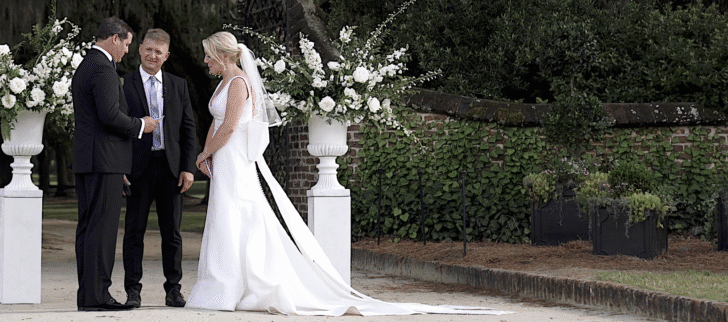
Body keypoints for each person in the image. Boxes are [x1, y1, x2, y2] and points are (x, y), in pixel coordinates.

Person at [186, 31, 511, 316]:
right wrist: (207, 152)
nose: (205, 61)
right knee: (224, 215)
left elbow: (230, 126)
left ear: (223, 56)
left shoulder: (239, 83)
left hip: (234, 158)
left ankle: (237, 285)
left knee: (236, 215)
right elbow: (217, 122)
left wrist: (205, 152)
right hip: (223, 157)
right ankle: (224, 283)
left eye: (208, 55)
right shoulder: (224, 83)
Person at [72, 17, 159, 312]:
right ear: (114, 39)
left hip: (92, 160)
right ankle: (98, 296)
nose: (127, 50)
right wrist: (141, 125)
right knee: (102, 229)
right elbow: (110, 115)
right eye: (127, 43)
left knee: (89, 228)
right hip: (103, 160)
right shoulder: (102, 67)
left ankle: (88, 295)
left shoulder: (87, 64)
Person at [121, 29, 198, 309]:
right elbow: (118, 130)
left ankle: (173, 290)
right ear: (140, 49)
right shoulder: (124, 83)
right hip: (137, 169)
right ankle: (132, 291)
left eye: (158, 52)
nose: (152, 55)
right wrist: (121, 168)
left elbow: (188, 129)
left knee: (172, 233)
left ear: (166, 56)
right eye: (149, 49)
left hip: (171, 168)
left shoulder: (178, 85)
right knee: (134, 232)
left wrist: (188, 168)